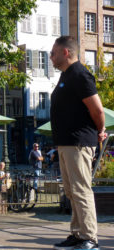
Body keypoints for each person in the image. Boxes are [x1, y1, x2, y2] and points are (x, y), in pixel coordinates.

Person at [50, 36, 106, 250]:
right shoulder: (67, 75)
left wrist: (100, 130)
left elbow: (97, 109)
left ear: (66, 53)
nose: (51, 56)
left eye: (54, 53)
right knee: (72, 191)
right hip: (66, 142)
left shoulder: (80, 75)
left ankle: (90, 238)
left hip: (79, 141)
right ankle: (78, 234)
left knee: (81, 190)